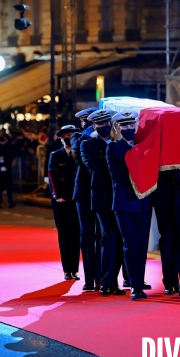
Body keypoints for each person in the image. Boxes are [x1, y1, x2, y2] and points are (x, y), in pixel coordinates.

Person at [107, 112, 153, 300]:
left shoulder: (140, 147)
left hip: (143, 202)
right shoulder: (114, 148)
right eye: (124, 126)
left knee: (141, 246)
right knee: (131, 245)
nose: (129, 129)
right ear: (118, 128)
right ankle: (134, 286)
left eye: (131, 125)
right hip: (125, 203)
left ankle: (138, 282)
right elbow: (132, 160)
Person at [81, 109, 126, 296]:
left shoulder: (118, 144)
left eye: (107, 123)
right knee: (111, 238)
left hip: (120, 199)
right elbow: (96, 167)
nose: (104, 127)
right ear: (94, 126)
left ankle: (110, 281)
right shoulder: (88, 144)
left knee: (117, 239)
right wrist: (113, 149)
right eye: (100, 124)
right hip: (102, 199)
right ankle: (107, 281)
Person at [70, 107, 101, 291]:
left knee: (103, 237)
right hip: (83, 193)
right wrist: (91, 132)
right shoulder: (79, 137)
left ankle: (102, 277)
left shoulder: (104, 138)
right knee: (88, 236)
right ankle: (90, 279)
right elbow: (79, 159)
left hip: (100, 192)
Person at [48, 125, 82, 281]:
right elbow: (52, 177)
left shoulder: (81, 154)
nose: (70, 138)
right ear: (62, 138)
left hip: (77, 201)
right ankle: (67, 269)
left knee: (76, 235)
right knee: (64, 235)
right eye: (67, 135)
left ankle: (74, 269)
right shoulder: (56, 155)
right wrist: (57, 195)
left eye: (72, 135)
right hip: (61, 201)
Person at [0, 135, 15, 208]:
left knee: (2, 187)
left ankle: (1, 202)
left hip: (2, 169)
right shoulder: (7, 147)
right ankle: (7, 201)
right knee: (4, 187)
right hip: (2, 169)